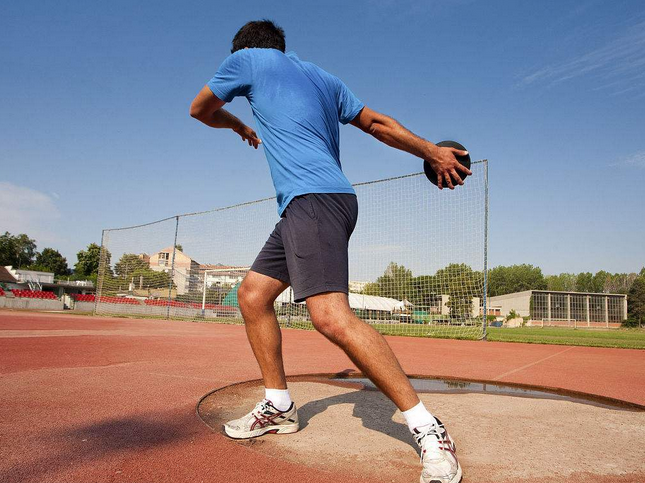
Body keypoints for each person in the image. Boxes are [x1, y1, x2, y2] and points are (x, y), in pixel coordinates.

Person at [190, 19, 470, 483]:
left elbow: (199, 109)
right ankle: (278, 405)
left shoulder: (247, 60)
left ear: (245, 51)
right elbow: (377, 124)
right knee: (252, 296)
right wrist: (430, 151)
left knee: (330, 317)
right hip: (321, 201)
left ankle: (428, 429)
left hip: (313, 201)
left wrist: (238, 123)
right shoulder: (324, 78)